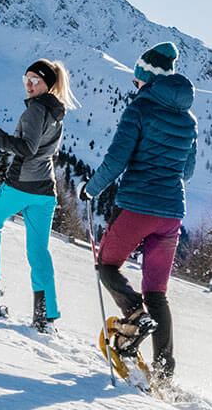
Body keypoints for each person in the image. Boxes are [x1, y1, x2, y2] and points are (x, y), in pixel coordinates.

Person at [80, 41, 198, 379]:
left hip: (137, 208)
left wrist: (90, 190)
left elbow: (116, 159)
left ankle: (133, 315)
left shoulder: (139, 109)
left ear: (147, 78)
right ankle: (163, 371)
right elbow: (186, 173)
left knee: (107, 264)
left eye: (137, 80)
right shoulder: (188, 120)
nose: (134, 86)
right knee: (157, 292)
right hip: (172, 214)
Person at [0, 59, 75, 332]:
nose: (29, 84)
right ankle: (45, 316)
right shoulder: (57, 113)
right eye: (26, 78)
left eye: (35, 80)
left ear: (48, 84)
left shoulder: (37, 109)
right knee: (38, 251)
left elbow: (27, 148)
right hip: (45, 191)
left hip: (20, 185)